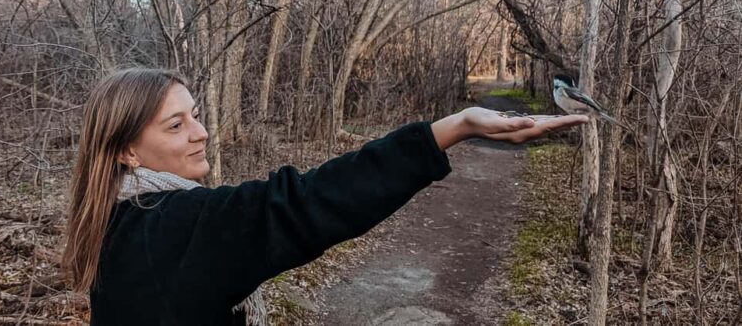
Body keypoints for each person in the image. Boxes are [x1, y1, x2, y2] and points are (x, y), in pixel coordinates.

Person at [62, 68, 587, 325]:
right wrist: (454, 128)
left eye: (195, 115)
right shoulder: (171, 228)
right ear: (127, 150)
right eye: (176, 125)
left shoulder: (117, 221)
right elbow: (306, 203)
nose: (201, 133)